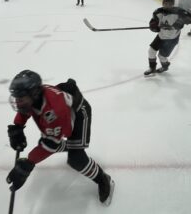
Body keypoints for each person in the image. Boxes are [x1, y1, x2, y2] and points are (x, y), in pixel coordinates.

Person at [6, 70, 115, 206]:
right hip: (61, 117)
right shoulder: (36, 97)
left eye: (20, 98)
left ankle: (103, 179)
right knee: (53, 141)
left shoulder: (53, 110)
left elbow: (50, 145)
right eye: (16, 98)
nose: (17, 102)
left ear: (33, 94)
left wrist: (29, 162)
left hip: (78, 113)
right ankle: (68, 145)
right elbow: (26, 110)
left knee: (77, 159)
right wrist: (18, 126)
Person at [145, 0, 191, 76]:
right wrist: (154, 27)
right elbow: (153, 22)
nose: (167, 6)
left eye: (170, 4)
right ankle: (152, 68)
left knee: (161, 56)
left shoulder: (179, 12)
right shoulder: (158, 12)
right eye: (165, 4)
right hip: (161, 36)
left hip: (172, 39)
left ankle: (165, 66)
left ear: (173, 4)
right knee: (151, 51)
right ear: (163, 3)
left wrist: (179, 23)